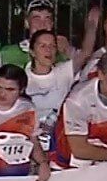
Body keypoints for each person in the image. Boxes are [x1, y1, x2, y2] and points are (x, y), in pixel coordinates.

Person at [23, 29, 75, 158]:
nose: (49, 50)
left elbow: (86, 53)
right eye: (43, 46)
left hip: (59, 139)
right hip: (30, 141)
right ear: (32, 52)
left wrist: (92, 25)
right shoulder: (22, 78)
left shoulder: (64, 71)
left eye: (52, 46)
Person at [0, 0, 71, 70]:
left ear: (52, 24)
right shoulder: (7, 54)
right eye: (36, 19)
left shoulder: (63, 53)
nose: (42, 24)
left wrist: (68, 52)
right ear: (27, 23)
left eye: (47, 18)